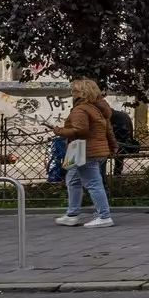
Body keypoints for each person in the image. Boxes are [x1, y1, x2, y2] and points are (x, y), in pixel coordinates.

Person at [52, 78, 116, 228]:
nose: (71, 94)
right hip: (94, 150)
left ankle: (104, 216)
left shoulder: (81, 109)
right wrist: (113, 145)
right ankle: (72, 214)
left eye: (73, 91)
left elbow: (80, 130)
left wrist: (59, 131)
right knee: (73, 180)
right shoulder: (98, 109)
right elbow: (108, 129)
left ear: (82, 92)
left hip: (85, 151)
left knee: (93, 183)